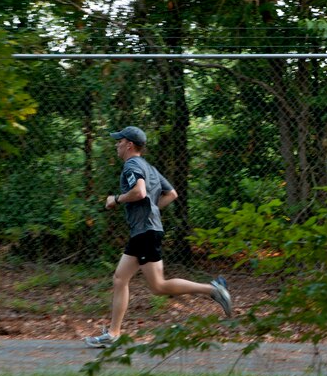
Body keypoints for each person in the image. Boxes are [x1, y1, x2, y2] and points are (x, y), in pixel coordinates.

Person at [84, 126, 232, 348]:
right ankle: (113, 333)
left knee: (146, 284)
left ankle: (213, 290)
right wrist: (152, 211)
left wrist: (116, 199)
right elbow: (171, 194)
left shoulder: (132, 165)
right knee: (131, 281)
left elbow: (139, 192)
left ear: (129, 145)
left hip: (144, 231)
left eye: (119, 141)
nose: (117, 145)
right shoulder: (149, 167)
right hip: (148, 230)